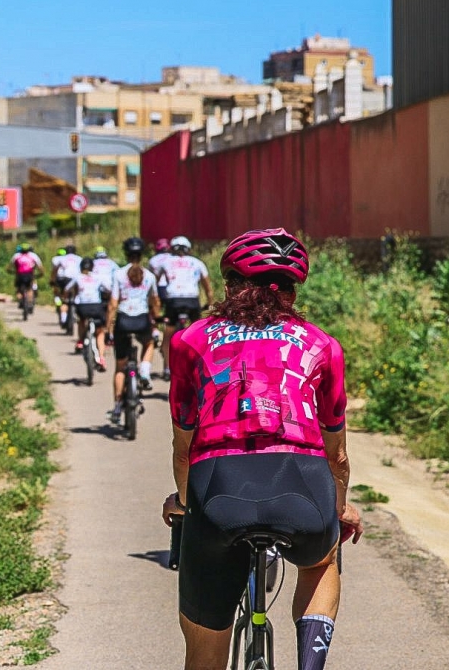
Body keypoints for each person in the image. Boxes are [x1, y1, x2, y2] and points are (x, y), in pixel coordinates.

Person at [161, 228, 362, 670]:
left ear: (230, 285)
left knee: (203, 651)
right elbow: (338, 456)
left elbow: (183, 446)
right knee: (322, 559)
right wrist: (340, 507)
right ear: (291, 293)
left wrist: (183, 500)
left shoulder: (190, 340)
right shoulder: (322, 345)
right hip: (303, 485)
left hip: (218, 488)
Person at [105, 236, 160, 421]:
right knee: (149, 343)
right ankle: (144, 370)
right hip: (142, 320)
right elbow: (155, 302)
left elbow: (113, 304)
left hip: (123, 320)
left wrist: (108, 328)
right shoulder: (150, 276)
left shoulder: (118, 274)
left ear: (126, 254)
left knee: (120, 367)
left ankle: (117, 406)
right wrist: (156, 321)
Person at [158, 236, 214, 380]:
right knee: (199, 331)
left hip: (173, 300)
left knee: (168, 333)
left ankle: (166, 367)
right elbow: (208, 288)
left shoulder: (166, 262)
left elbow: (158, 282)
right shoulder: (197, 262)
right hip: (191, 300)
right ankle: (202, 363)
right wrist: (210, 303)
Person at [64, 257, 110, 369]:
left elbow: (67, 289)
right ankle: (101, 358)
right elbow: (108, 289)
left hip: (82, 306)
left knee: (81, 321)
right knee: (100, 332)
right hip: (96, 305)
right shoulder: (98, 277)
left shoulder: (78, 277)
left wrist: (65, 298)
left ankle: (80, 340)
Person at [51, 243, 82, 328]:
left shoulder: (62, 258)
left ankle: (63, 318)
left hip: (64, 279)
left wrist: (52, 280)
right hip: (76, 279)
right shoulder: (79, 258)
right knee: (78, 294)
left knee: (63, 299)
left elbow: (55, 270)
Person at [9, 243, 43, 310]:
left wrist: (10, 271)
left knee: (18, 289)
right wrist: (41, 273)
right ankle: (30, 303)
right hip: (30, 275)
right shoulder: (33, 256)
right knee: (30, 289)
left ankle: (21, 300)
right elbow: (40, 267)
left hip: (19, 275)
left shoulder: (16, 256)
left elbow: (9, 266)